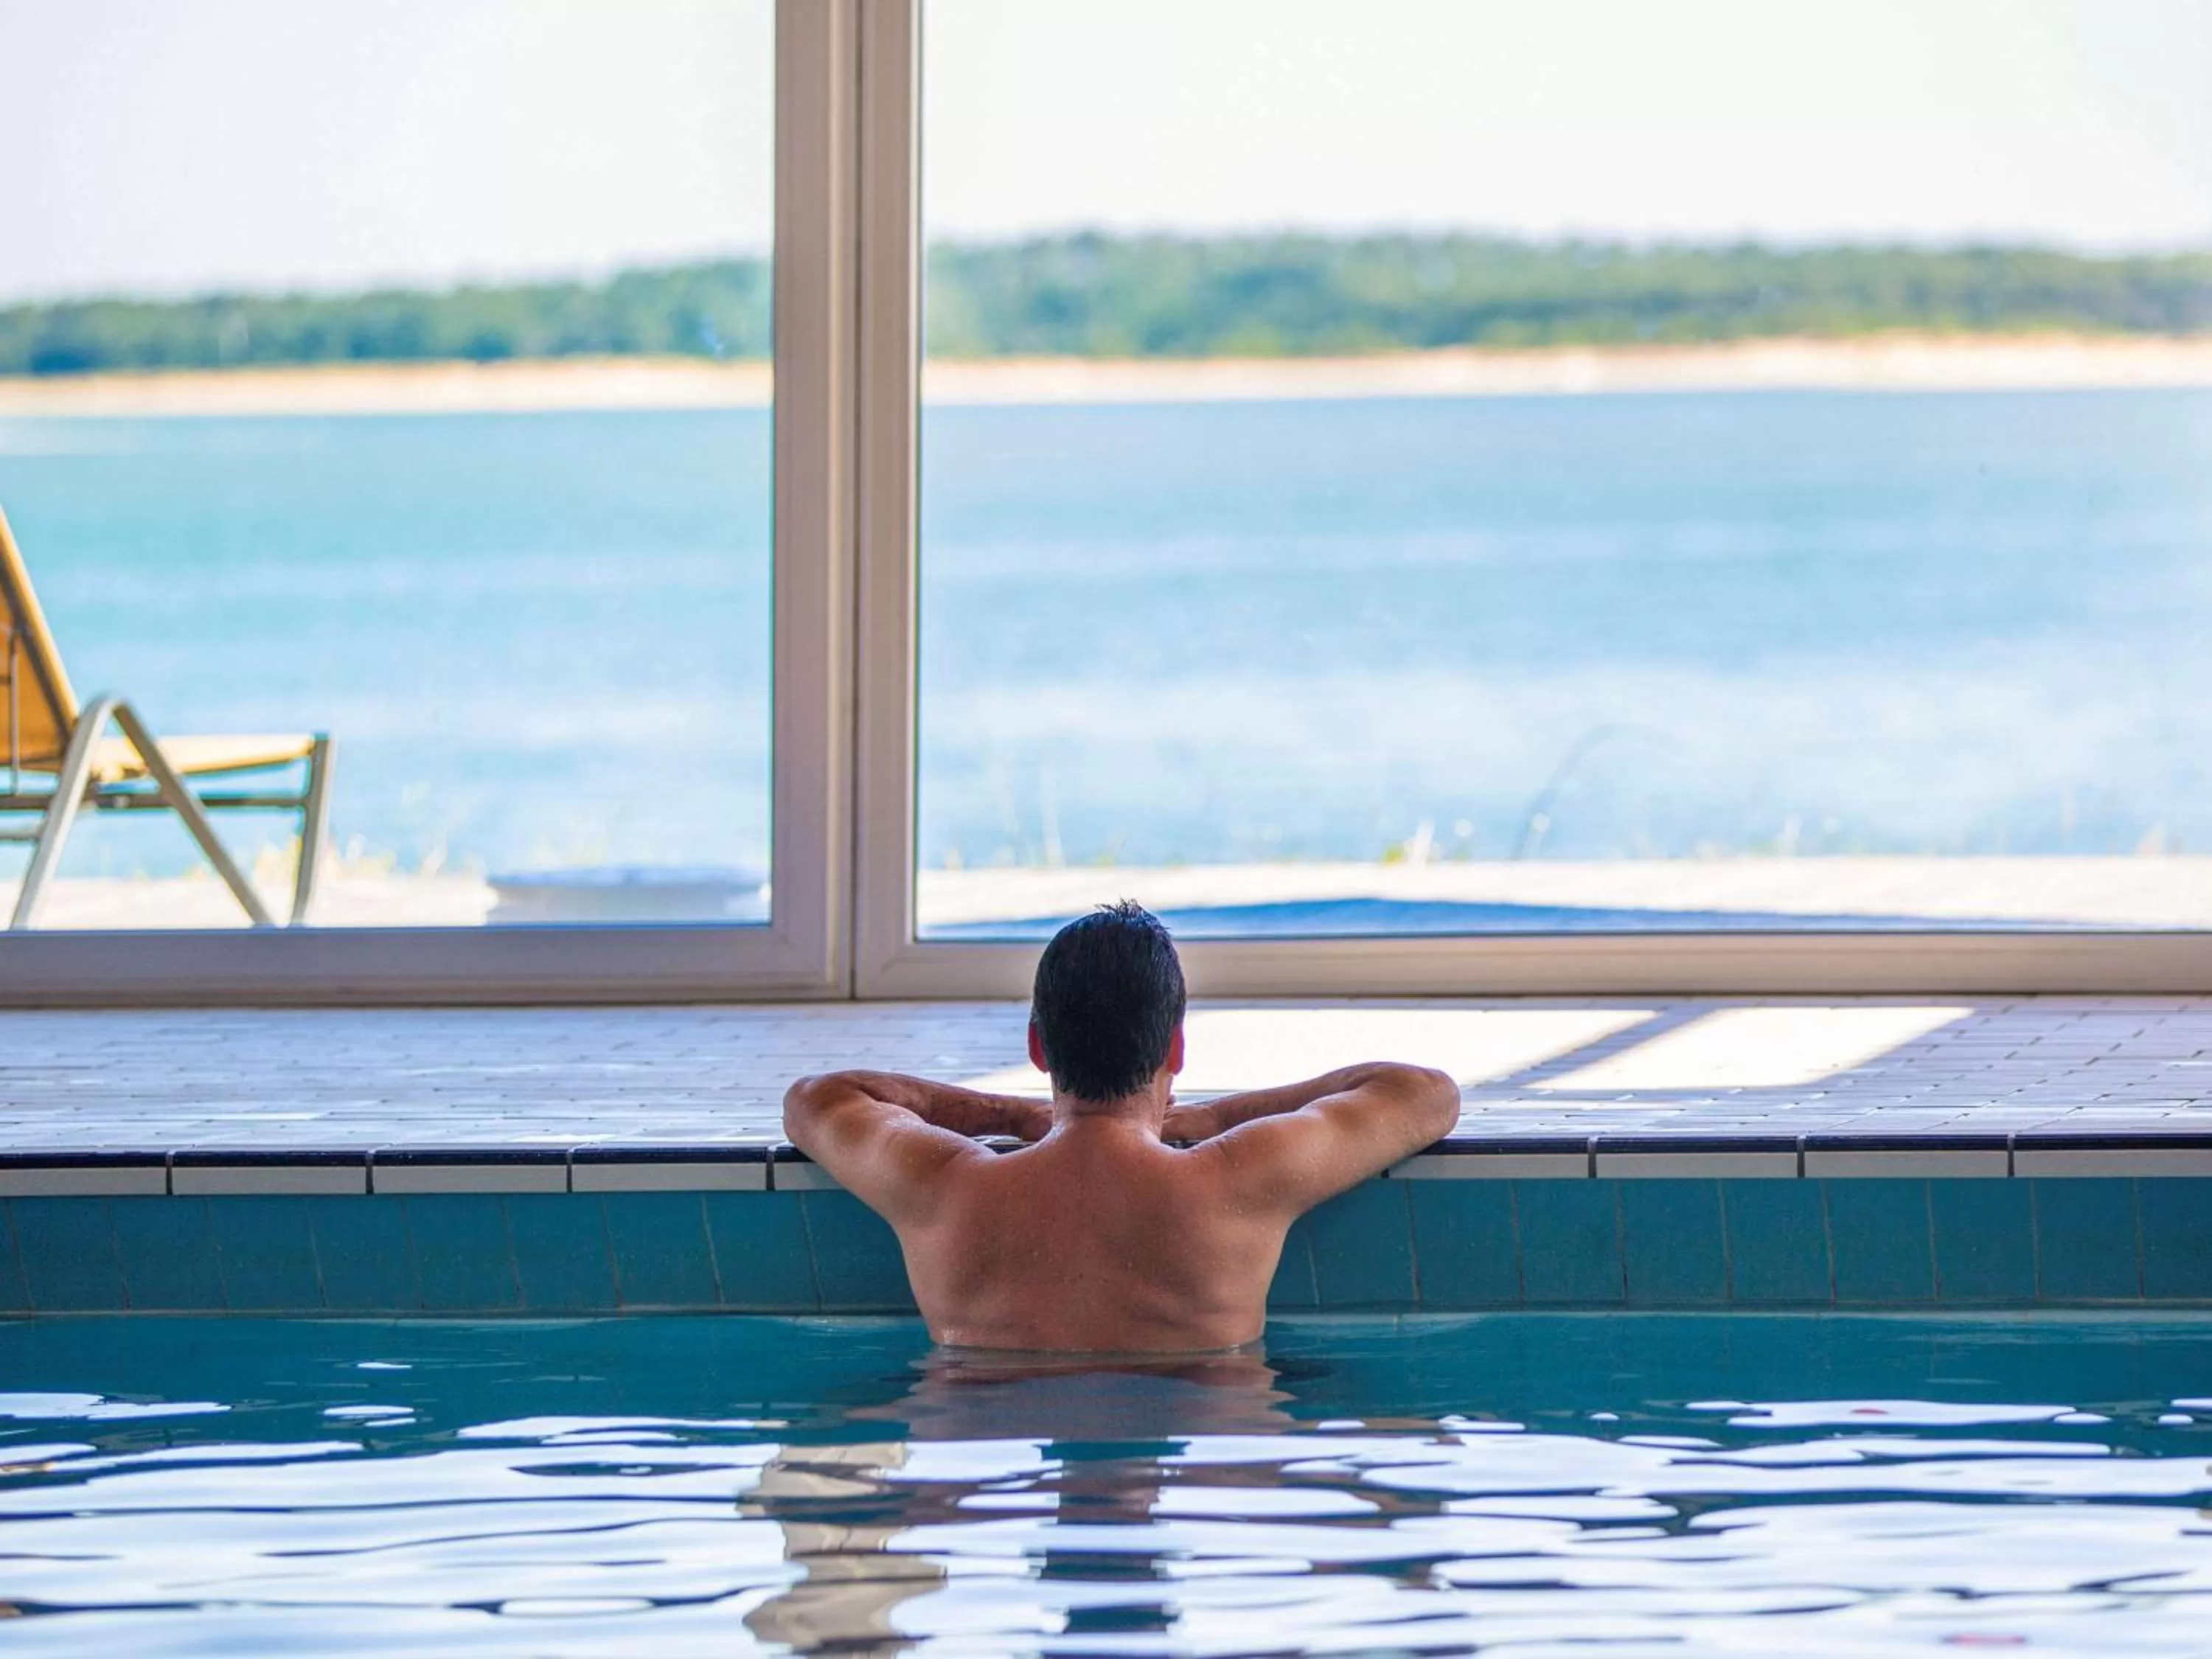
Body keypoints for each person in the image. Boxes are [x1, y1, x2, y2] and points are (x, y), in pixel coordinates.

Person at [782, 900, 1460, 1352]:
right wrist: (1219, 1116)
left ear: (1038, 1047)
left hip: (990, 1440)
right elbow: (1423, 1093)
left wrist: (1013, 1116)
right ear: (1176, 1048)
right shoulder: (1239, 1178)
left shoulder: (944, 1187)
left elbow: (819, 1099)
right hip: (1209, 1431)